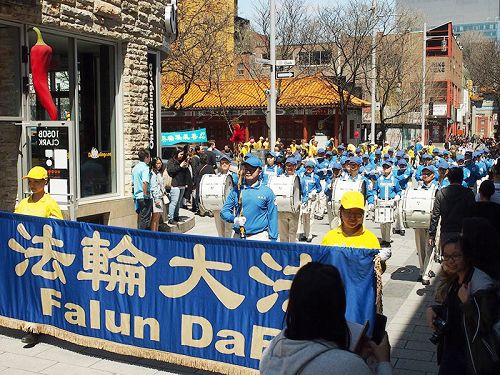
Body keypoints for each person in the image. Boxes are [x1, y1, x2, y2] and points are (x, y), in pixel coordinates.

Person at [260, 262, 392, 375]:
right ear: (338, 305)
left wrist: (356, 360)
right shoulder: (349, 366)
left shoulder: (271, 351)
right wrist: (383, 362)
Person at [426, 236, 499, 375]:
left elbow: (484, 325)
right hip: (452, 350)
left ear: (467, 255)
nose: (450, 261)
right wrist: (434, 309)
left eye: (456, 256)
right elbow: (453, 310)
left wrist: (467, 302)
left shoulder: (481, 284)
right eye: (446, 256)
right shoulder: (455, 277)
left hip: (471, 355)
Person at [14, 166, 63, 345]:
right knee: (27, 291)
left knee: (39, 291)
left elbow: (61, 228)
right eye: (30, 181)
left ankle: (35, 329)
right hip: (24, 255)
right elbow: (14, 224)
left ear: (45, 182)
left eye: (36, 181)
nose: (32, 185)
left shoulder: (50, 203)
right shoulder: (24, 203)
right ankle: (28, 324)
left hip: (43, 257)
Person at [220, 156, 278, 241]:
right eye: (246, 168)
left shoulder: (267, 192)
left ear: (259, 171)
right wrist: (235, 219)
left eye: (252, 168)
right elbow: (224, 212)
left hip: (259, 237)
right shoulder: (236, 190)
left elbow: (272, 217)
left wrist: (273, 239)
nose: (248, 171)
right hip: (238, 236)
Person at [322, 191, 391, 261]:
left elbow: (375, 268)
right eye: (348, 212)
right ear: (340, 212)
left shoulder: (371, 239)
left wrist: (381, 261)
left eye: (358, 214)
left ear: (363, 215)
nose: (352, 217)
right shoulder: (329, 237)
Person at [429, 167, 475, 249]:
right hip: (463, 232)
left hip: (446, 232)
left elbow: (435, 216)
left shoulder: (441, 193)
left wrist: (432, 235)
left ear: (449, 178)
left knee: (448, 258)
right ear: (461, 178)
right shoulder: (469, 193)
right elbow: (473, 215)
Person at [414, 165, 438, 285]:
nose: (425, 176)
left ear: (433, 175)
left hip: (431, 222)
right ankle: (422, 269)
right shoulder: (418, 188)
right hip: (418, 221)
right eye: (423, 173)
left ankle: (426, 274)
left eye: (428, 174)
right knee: (420, 247)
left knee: (429, 247)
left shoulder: (436, 188)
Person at [213, 154, 236, 237]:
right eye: (222, 163)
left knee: (228, 230)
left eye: (226, 163)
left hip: (229, 207)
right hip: (218, 206)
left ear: (229, 164)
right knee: (219, 230)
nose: (224, 164)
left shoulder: (234, 176)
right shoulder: (216, 176)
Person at [278, 157, 300, 243]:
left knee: (293, 233)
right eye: (287, 165)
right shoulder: (280, 178)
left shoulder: (298, 178)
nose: (289, 167)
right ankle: (284, 253)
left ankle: (293, 253)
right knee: (283, 234)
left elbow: (304, 193)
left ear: (295, 166)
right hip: (282, 209)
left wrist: (301, 202)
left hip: (294, 210)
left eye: (292, 165)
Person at [166, 148, 191, 225]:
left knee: (178, 202)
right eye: (180, 154)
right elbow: (171, 171)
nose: (182, 156)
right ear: (176, 153)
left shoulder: (183, 161)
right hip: (175, 184)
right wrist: (180, 166)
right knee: (174, 202)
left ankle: (176, 216)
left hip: (182, 184)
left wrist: (186, 166)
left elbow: (186, 173)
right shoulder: (171, 161)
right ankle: (170, 218)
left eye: (183, 154)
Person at [132, 148, 152, 230]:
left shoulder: (135, 168)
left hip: (137, 196)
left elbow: (133, 183)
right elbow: (145, 182)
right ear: (146, 157)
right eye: (149, 157)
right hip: (144, 197)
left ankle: (140, 236)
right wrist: (145, 194)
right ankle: (142, 239)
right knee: (145, 219)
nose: (150, 159)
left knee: (141, 217)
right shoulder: (145, 168)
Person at [194, 153, 215, 217]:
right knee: (209, 197)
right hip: (208, 186)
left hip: (200, 185)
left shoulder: (198, 168)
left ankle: (202, 211)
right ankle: (210, 211)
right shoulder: (210, 167)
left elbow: (195, 177)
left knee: (200, 198)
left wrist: (195, 185)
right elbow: (213, 176)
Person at [149, 157, 166, 231]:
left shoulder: (159, 173)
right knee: (155, 217)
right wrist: (156, 198)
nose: (159, 165)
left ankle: (156, 231)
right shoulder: (152, 173)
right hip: (156, 198)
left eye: (160, 163)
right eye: (157, 163)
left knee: (158, 217)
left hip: (160, 196)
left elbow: (161, 184)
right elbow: (153, 187)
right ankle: (154, 232)